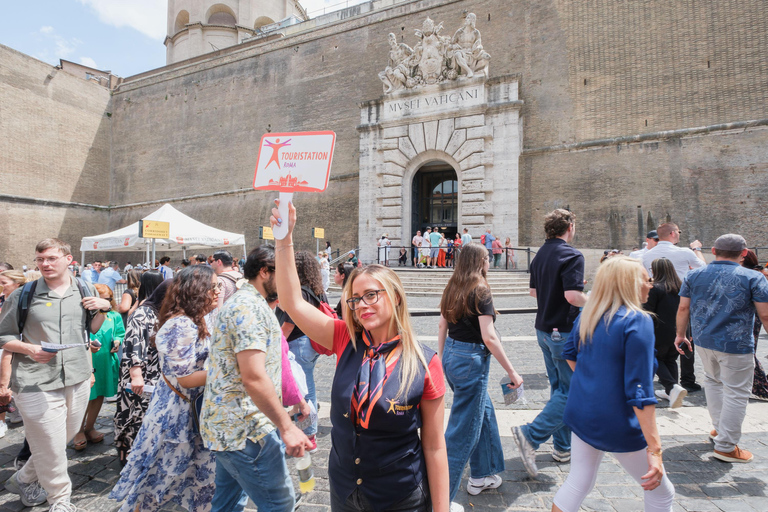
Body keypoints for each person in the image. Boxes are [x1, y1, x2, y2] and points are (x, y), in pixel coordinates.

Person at [271, 200, 449, 512]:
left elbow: (434, 446)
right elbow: (292, 301)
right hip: (344, 493)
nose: (361, 304)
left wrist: (441, 509)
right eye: (354, 299)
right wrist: (283, 238)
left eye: (371, 295)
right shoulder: (344, 338)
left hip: (400, 498)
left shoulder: (424, 362)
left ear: (394, 297)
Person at [552, 256, 674, 512]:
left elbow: (570, 353)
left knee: (578, 482)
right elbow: (641, 391)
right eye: (646, 279)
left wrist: (596, 381)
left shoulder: (590, 313)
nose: (650, 285)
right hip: (617, 419)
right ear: (629, 283)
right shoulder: (637, 321)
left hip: (583, 410)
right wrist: (656, 448)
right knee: (662, 493)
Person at [0, 238, 111, 512]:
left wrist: (105, 307)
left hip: (78, 374)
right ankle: (60, 501)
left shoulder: (83, 289)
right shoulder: (22, 295)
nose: (45, 264)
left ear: (68, 259)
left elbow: (91, 330)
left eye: (51, 258)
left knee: (66, 434)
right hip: (34, 378)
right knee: (50, 444)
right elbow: (3, 336)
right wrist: (29, 348)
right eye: (40, 260)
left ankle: (24, 478)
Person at [201, 246, 312, 512]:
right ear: (265, 272)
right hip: (245, 430)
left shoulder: (253, 304)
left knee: (228, 502)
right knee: (280, 505)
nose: (290, 283)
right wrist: (286, 427)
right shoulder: (248, 308)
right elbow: (253, 376)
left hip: (236, 427)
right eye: (284, 275)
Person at [110, 265, 219, 511]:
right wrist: (231, 372)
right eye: (214, 287)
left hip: (193, 407)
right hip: (177, 411)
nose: (218, 292)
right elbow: (187, 378)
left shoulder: (199, 319)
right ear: (197, 290)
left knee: (192, 473)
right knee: (163, 474)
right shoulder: (180, 324)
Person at [438, 243, 522, 511]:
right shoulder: (481, 289)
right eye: (487, 259)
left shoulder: (452, 286)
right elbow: (489, 336)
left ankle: (481, 475)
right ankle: (440, 500)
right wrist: (511, 371)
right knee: (462, 433)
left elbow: (442, 325)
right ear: (479, 262)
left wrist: (441, 360)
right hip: (471, 361)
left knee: (483, 412)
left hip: (452, 356)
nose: (489, 263)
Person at [675, 234, 768, 463]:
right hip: (736, 344)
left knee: (714, 383)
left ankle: (720, 429)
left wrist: (680, 334)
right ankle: (726, 445)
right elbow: (764, 314)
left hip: (704, 341)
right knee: (736, 392)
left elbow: (683, 309)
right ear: (744, 253)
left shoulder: (694, 274)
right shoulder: (753, 277)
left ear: (714, 250)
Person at [513, 209, 587, 477]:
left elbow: (533, 291)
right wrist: (598, 304)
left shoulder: (540, 254)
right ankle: (530, 436)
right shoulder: (572, 254)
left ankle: (563, 447)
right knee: (570, 393)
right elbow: (572, 296)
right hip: (564, 332)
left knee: (559, 390)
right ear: (569, 226)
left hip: (543, 329)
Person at [642, 222, 705, 393]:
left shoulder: (647, 255)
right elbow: (703, 269)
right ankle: (686, 380)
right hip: (681, 298)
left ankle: (670, 385)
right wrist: (697, 249)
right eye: (678, 231)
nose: (679, 234)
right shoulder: (684, 252)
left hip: (657, 301)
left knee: (661, 349)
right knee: (685, 342)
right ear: (672, 233)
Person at [113, 280, 170, 466]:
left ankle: (144, 454)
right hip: (139, 374)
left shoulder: (164, 313)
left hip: (155, 372)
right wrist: (136, 374)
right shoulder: (143, 313)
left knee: (147, 415)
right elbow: (132, 345)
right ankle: (126, 454)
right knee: (132, 414)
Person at [277, 251, 329, 451]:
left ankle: (308, 435)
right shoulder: (318, 289)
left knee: (301, 391)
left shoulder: (299, 291)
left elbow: (289, 325)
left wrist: (275, 342)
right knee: (308, 387)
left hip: (298, 342)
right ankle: (309, 433)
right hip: (311, 343)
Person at [73, 284, 124, 450]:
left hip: (105, 360)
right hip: (87, 360)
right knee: (84, 396)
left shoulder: (114, 315)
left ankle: (90, 427)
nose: (105, 302)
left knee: (99, 394)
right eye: (101, 298)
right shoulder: (82, 315)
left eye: (108, 299)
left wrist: (117, 342)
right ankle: (78, 430)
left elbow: (119, 333)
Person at [643, 258, 687, 408]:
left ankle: (672, 387)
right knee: (670, 360)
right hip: (678, 330)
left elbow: (648, 311)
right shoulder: (681, 287)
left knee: (657, 359)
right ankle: (672, 391)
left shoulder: (655, 288)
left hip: (658, 331)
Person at [741, 250, 768, 400]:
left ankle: (761, 387)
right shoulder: (757, 274)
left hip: (751, 316)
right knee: (750, 351)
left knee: (749, 352)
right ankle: (757, 386)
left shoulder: (752, 275)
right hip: (755, 316)